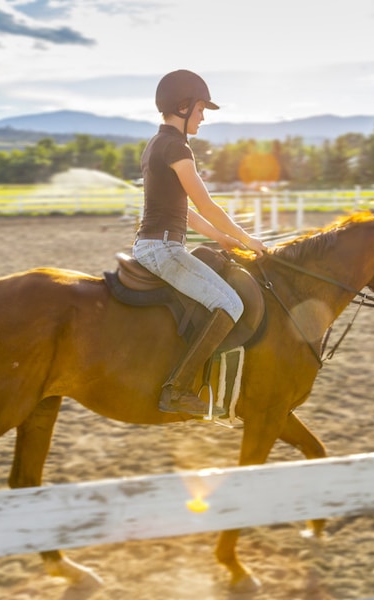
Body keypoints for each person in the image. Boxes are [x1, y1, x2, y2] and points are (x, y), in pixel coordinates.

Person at [132, 69, 266, 417]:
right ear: (182, 106)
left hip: (155, 244)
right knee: (231, 305)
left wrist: (223, 238)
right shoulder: (177, 148)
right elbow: (206, 204)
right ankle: (177, 390)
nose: (203, 117)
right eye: (201, 108)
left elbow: (187, 214)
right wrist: (248, 238)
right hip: (163, 249)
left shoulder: (156, 145)